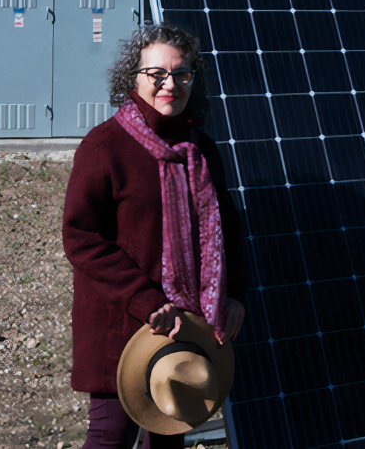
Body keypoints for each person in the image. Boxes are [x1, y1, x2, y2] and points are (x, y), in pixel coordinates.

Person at [63, 24, 249, 449]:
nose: (170, 84)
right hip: (121, 322)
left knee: (168, 434)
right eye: (157, 74)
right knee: (111, 434)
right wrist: (147, 300)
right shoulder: (105, 145)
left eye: (181, 74)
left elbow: (228, 227)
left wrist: (235, 293)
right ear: (135, 77)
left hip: (187, 325)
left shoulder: (201, 149)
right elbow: (81, 237)